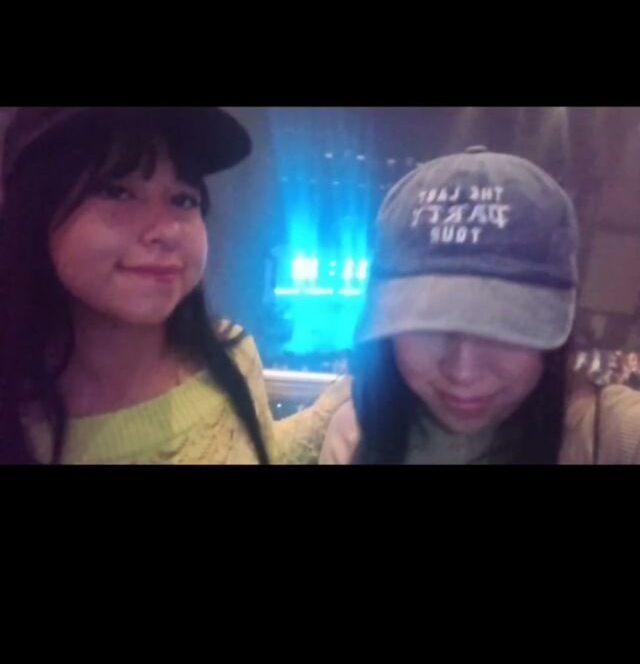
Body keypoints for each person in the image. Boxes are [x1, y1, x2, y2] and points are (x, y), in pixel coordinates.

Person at [0, 107, 348, 465]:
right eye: (116, 191)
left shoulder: (230, 355)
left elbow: (254, 453)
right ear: (35, 209)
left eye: (183, 199)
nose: (166, 232)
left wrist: (357, 395)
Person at [319, 147, 640, 465]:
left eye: (506, 324)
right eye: (427, 324)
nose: (463, 372)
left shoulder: (615, 437)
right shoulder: (355, 433)